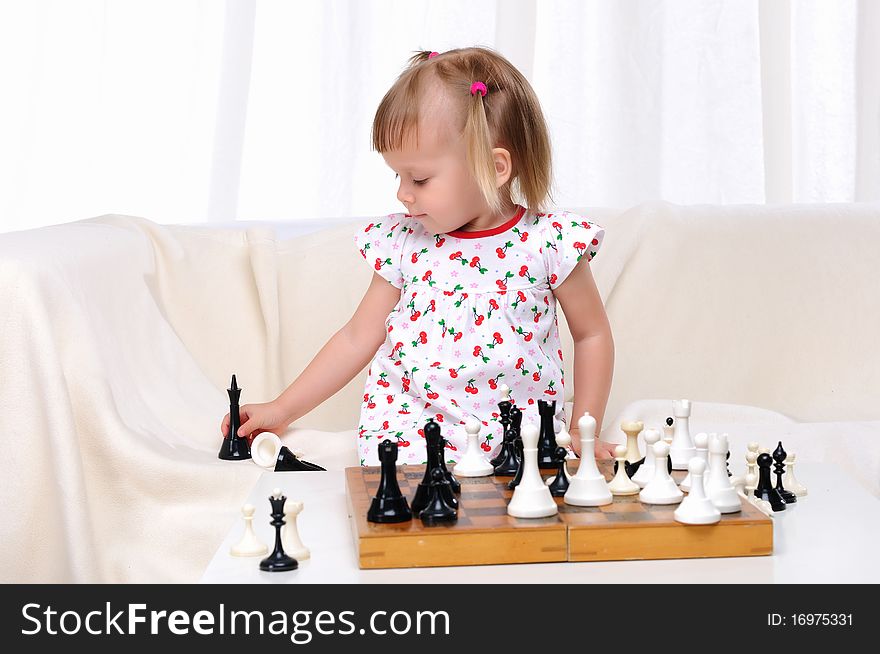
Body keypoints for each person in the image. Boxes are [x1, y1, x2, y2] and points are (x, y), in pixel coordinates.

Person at [221, 46, 616, 466]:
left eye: (420, 178)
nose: (402, 192)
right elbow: (357, 337)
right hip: (412, 435)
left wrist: (582, 428)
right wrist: (282, 409)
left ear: (496, 167)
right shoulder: (404, 242)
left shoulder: (549, 242)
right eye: (398, 174)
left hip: (521, 439)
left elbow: (592, 334)